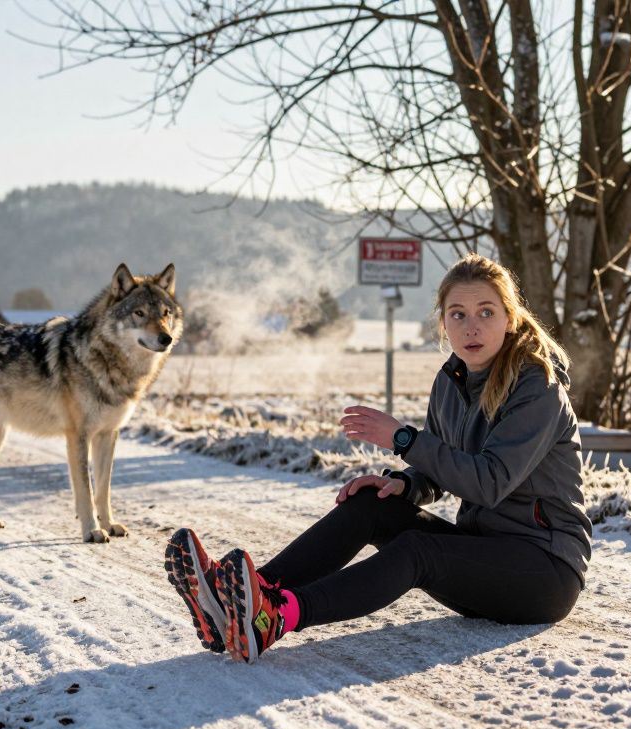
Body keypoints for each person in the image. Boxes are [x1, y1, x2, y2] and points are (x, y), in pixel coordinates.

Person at [164, 253, 593, 663]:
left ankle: (277, 617)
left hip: (544, 572)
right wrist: (406, 484)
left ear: (509, 317)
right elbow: (438, 469)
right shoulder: (451, 381)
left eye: (486, 311)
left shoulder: (537, 386)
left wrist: (403, 438)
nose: (472, 326)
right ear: (443, 323)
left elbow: (488, 482)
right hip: (484, 556)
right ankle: (238, 604)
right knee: (372, 505)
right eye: (458, 314)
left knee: (416, 551)